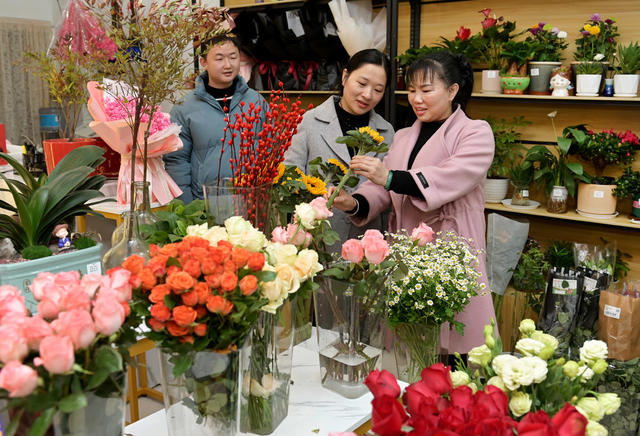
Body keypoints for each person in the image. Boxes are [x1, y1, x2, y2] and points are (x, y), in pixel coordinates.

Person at [329, 50, 497, 356]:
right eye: (412, 90)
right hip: (408, 255)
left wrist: (390, 178)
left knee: (455, 352)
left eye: (426, 90)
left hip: (452, 253)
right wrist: (352, 202)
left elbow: (449, 177)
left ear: (452, 91)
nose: (417, 99)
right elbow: (383, 190)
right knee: (410, 351)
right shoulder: (404, 136)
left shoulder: (475, 133)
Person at [284, 49, 395, 247]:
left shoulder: (386, 132)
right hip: (317, 239)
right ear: (345, 76)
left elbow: (386, 193)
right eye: (361, 84)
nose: (367, 95)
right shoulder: (309, 122)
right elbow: (290, 177)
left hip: (364, 242)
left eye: (378, 90)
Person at [164, 35, 267, 203]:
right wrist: (188, 205)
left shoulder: (256, 102)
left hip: (251, 201)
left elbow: (270, 150)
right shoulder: (185, 106)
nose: (228, 65)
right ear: (204, 62)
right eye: (219, 58)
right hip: (204, 201)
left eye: (233, 57)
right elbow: (177, 160)